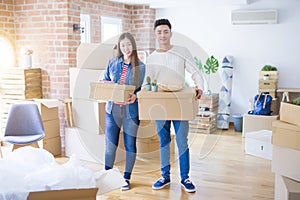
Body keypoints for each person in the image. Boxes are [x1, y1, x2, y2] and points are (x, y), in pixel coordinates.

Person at [145, 19, 205, 193]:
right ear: (155, 35)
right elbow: (147, 82)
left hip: (180, 102)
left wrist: (200, 87)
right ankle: (165, 176)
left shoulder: (182, 51)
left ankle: (185, 178)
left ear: (171, 33)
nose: (162, 35)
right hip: (160, 104)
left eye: (165, 31)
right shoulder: (152, 58)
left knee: (181, 141)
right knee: (164, 141)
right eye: (159, 32)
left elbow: (195, 71)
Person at [102, 32, 145, 191]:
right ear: (119, 48)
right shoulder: (112, 62)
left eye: (128, 44)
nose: (126, 48)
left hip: (130, 113)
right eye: (123, 46)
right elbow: (105, 79)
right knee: (110, 146)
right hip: (112, 111)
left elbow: (141, 89)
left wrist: (136, 96)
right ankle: (106, 176)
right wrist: (104, 84)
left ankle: (126, 178)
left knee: (129, 145)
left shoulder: (141, 66)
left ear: (133, 45)